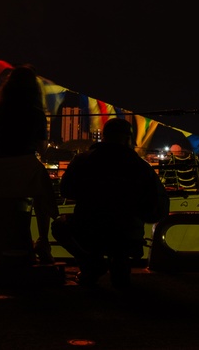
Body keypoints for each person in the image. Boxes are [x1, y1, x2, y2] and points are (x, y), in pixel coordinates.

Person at [52, 118, 169, 287]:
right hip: (128, 233)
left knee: (59, 225)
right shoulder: (142, 166)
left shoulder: (83, 160)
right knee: (120, 245)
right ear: (128, 139)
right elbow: (156, 205)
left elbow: (66, 191)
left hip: (88, 228)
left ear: (104, 137)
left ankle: (90, 263)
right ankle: (119, 266)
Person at [0, 65, 58, 265]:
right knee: (42, 188)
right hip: (24, 176)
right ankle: (43, 239)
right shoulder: (36, 115)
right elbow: (42, 150)